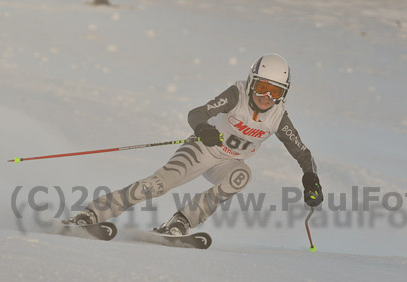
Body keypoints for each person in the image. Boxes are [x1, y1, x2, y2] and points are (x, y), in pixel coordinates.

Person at [68, 53, 324, 235]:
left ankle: (181, 221)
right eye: (261, 87)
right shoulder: (237, 95)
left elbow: (302, 153)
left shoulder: (278, 118)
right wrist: (203, 129)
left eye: (275, 91)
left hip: (227, 162)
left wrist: (311, 179)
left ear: (284, 93)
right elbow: (196, 113)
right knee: (157, 186)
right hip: (201, 149)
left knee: (242, 175)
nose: (266, 97)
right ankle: (92, 213)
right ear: (251, 82)